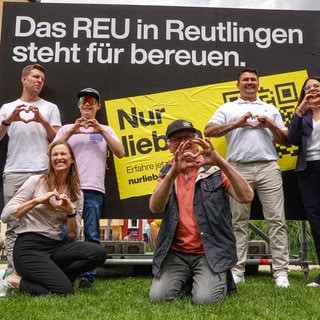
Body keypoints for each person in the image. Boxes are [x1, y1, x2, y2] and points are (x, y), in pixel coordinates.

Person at [149, 119, 254, 305]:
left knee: (204, 301)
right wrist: (174, 172)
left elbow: (246, 196)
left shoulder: (213, 168)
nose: (185, 142)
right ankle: (195, 279)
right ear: (169, 146)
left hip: (209, 251)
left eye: (190, 137)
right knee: (158, 298)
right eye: (178, 139)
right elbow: (155, 207)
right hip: (176, 253)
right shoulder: (166, 172)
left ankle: (212, 278)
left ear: (198, 140)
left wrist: (220, 161)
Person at [204, 68, 290, 288]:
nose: (250, 83)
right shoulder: (228, 108)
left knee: (277, 221)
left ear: (258, 84)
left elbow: (285, 141)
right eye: (245, 80)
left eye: (253, 80)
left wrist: (269, 124)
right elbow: (209, 131)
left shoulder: (269, 108)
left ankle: (281, 273)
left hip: (268, 166)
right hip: (237, 168)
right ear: (238, 84)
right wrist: (237, 123)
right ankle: (237, 270)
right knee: (237, 222)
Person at [0, 141, 107, 297]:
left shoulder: (77, 193)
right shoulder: (36, 181)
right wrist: (37, 201)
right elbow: (5, 216)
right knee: (65, 291)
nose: (59, 157)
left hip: (54, 246)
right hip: (29, 247)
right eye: (54, 154)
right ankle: (12, 279)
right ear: (50, 160)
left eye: (63, 153)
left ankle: (59, 277)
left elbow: (72, 235)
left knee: (99, 253)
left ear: (72, 159)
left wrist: (70, 212)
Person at [54, 88, 125, 288]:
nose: (87, 103)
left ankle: (87, 276)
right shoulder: (66, 128)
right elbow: (52, 150)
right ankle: (65, 273)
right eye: (83, 100)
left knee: (92, 234)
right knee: (65, 233)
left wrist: (100, 130)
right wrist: (71, 131)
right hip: (68, 189)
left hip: (94, 189)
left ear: (98, 106)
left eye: (91, 100)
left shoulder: (106, 130)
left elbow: (120, 152)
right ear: (78, 105)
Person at [0, 64, 61, 270]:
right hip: (14, 170)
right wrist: (8, 120)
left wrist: (41, 120)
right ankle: (13, 271)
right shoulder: (7, 107)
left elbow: (56, 140)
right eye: (35, 77)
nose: (39, 81)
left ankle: (41, 268)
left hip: (42, 172)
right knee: (13, 222)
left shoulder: (50, 108)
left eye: (42, 79)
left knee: (44, 223)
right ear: (23, 79)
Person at [287, 76, 320, 286]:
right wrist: (299, 111)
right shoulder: (303, 114)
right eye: (309, 88)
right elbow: (291, 138)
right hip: (309, 170)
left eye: (317, 86)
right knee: (317, 222)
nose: (314, 90)